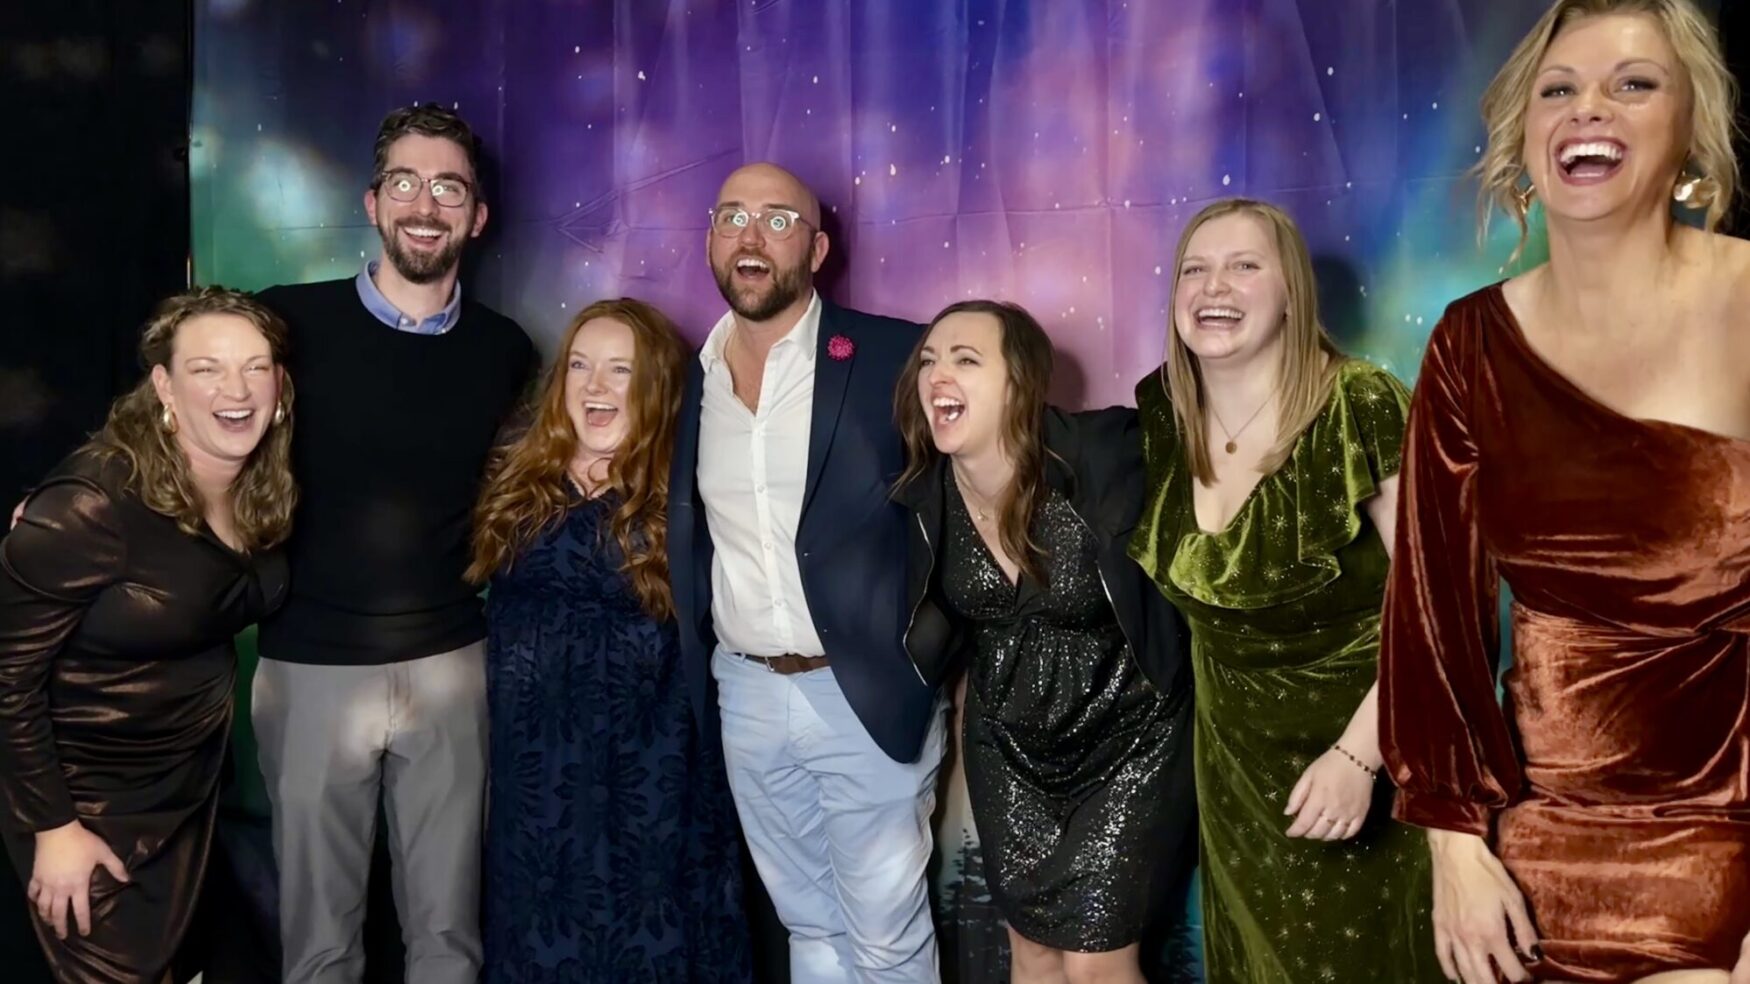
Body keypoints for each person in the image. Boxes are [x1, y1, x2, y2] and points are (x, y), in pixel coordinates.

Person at [1377, 2, 1750, 982]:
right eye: (1558, 89)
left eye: (1632, 83)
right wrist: (1455, 847)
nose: (1589, 108)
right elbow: (1431, 622)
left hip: (1725, 845)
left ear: (1688, 130)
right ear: (1525, 137)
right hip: (1533, 865)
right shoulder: (1467, 344)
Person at [248, 103, 535, 984]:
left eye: (448, 186)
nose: (425, 204)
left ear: (476, 216)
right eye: (405, 183)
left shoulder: (504, 351)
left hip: (451, 665)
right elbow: (177, 432)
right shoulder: (284, 327)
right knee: (320, 944)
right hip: (310, 665)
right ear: (373, 203)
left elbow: (523, 497)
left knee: (449, 940)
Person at [1129, 198, 1441, 983]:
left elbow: (1440, 606)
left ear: (1293, 292)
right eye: (1194, 269)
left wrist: (1361, 757)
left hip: (1373, 750)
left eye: (1243, 265)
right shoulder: (1165, 412)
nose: (1213, 286)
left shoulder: (1360, 404)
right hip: (1236, 772)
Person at [667, 162, 945, 984]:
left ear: (817, 247)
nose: (751, 235)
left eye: (777, 220)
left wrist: (929, 661)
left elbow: (960, 513)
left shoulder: (895, 354)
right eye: (732, 217)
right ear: (711, 240)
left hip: (863, 691)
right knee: (808, 928)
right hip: (747, 693)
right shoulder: (687, 378)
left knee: (887, 936)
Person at [892, 300, 1194, 984]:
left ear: (1020, 382)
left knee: (1096, 965)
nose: (940, 374)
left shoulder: (1102, 451)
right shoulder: (925, 497)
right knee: (1031, 955)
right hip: (1010, 751)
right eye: (930, 361)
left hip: (1131, 741)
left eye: (967, 359)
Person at [0, 287, 294, 983]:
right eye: (207, 369)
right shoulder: (93, 502)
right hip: (87, 803)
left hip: (184, 799)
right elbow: (6, 677)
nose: (237, 388)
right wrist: (54, 828)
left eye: (256, 366)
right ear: (163, 385)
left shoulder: (265, 487)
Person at [468, 298, 750, 983]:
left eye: (619, 371)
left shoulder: (691, 492)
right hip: (536, 779)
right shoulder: (518, 481)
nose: (594, 387)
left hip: (652, 774)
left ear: (654, 386)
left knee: (653, 942)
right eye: (581, 367)